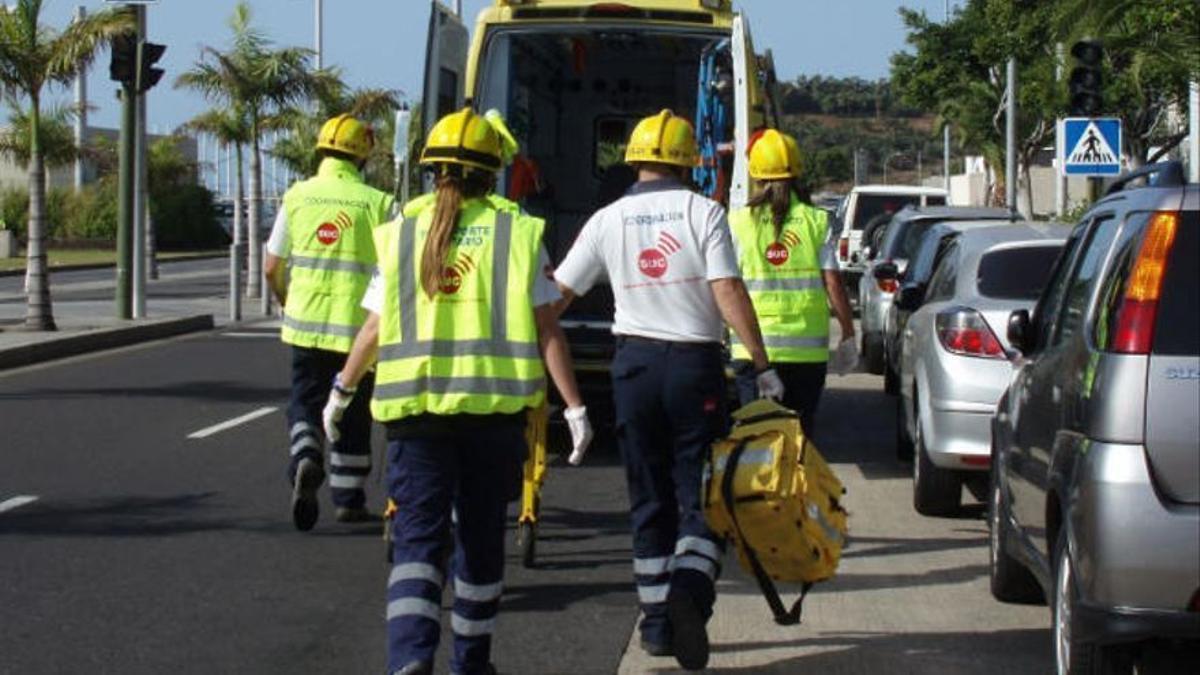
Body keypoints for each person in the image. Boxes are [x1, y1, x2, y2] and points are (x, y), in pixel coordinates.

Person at [323, 107, 592, 675]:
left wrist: (342, 390)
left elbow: (371, 329)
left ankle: (409, 661)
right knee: (478, 542)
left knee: (418, 547)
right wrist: (574, 407)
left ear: (432, 170)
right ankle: (470, 664)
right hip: (492, 421)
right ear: (493, 170)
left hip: (415, 418)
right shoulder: (519, 234)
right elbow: (548, 330)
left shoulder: (400, 233)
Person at [552, 109, 781, 671]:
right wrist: (761, 362)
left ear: (633, 160)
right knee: (701, 495)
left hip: (632, 367)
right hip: (692, 368)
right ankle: (690, 591)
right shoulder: (702, 211)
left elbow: (555, 296)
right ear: (689, 162)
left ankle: (656, 625)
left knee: (649, 498)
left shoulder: (606, 220)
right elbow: (726, 288)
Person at [264, 114, 394, 531]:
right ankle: (348, 498)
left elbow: (271, 266)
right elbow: (395, 267)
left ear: (321, 151)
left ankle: (305, 454)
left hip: (305, 323)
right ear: (362, 157)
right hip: (358, 331)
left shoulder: (297, 196)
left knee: (305, 401)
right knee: (353, 411)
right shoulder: (378, 203)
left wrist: (287, 301)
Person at [727, 129, 857, 438]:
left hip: (753, 351)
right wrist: (848, 334)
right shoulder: (817, 221)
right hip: (805, 355)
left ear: (755, 174)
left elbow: (726, 286)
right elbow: (833, 283)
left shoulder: (737, 222)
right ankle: (795, 486)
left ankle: (760, 488)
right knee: (799, 438)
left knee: (755, 439)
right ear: (798, 171)